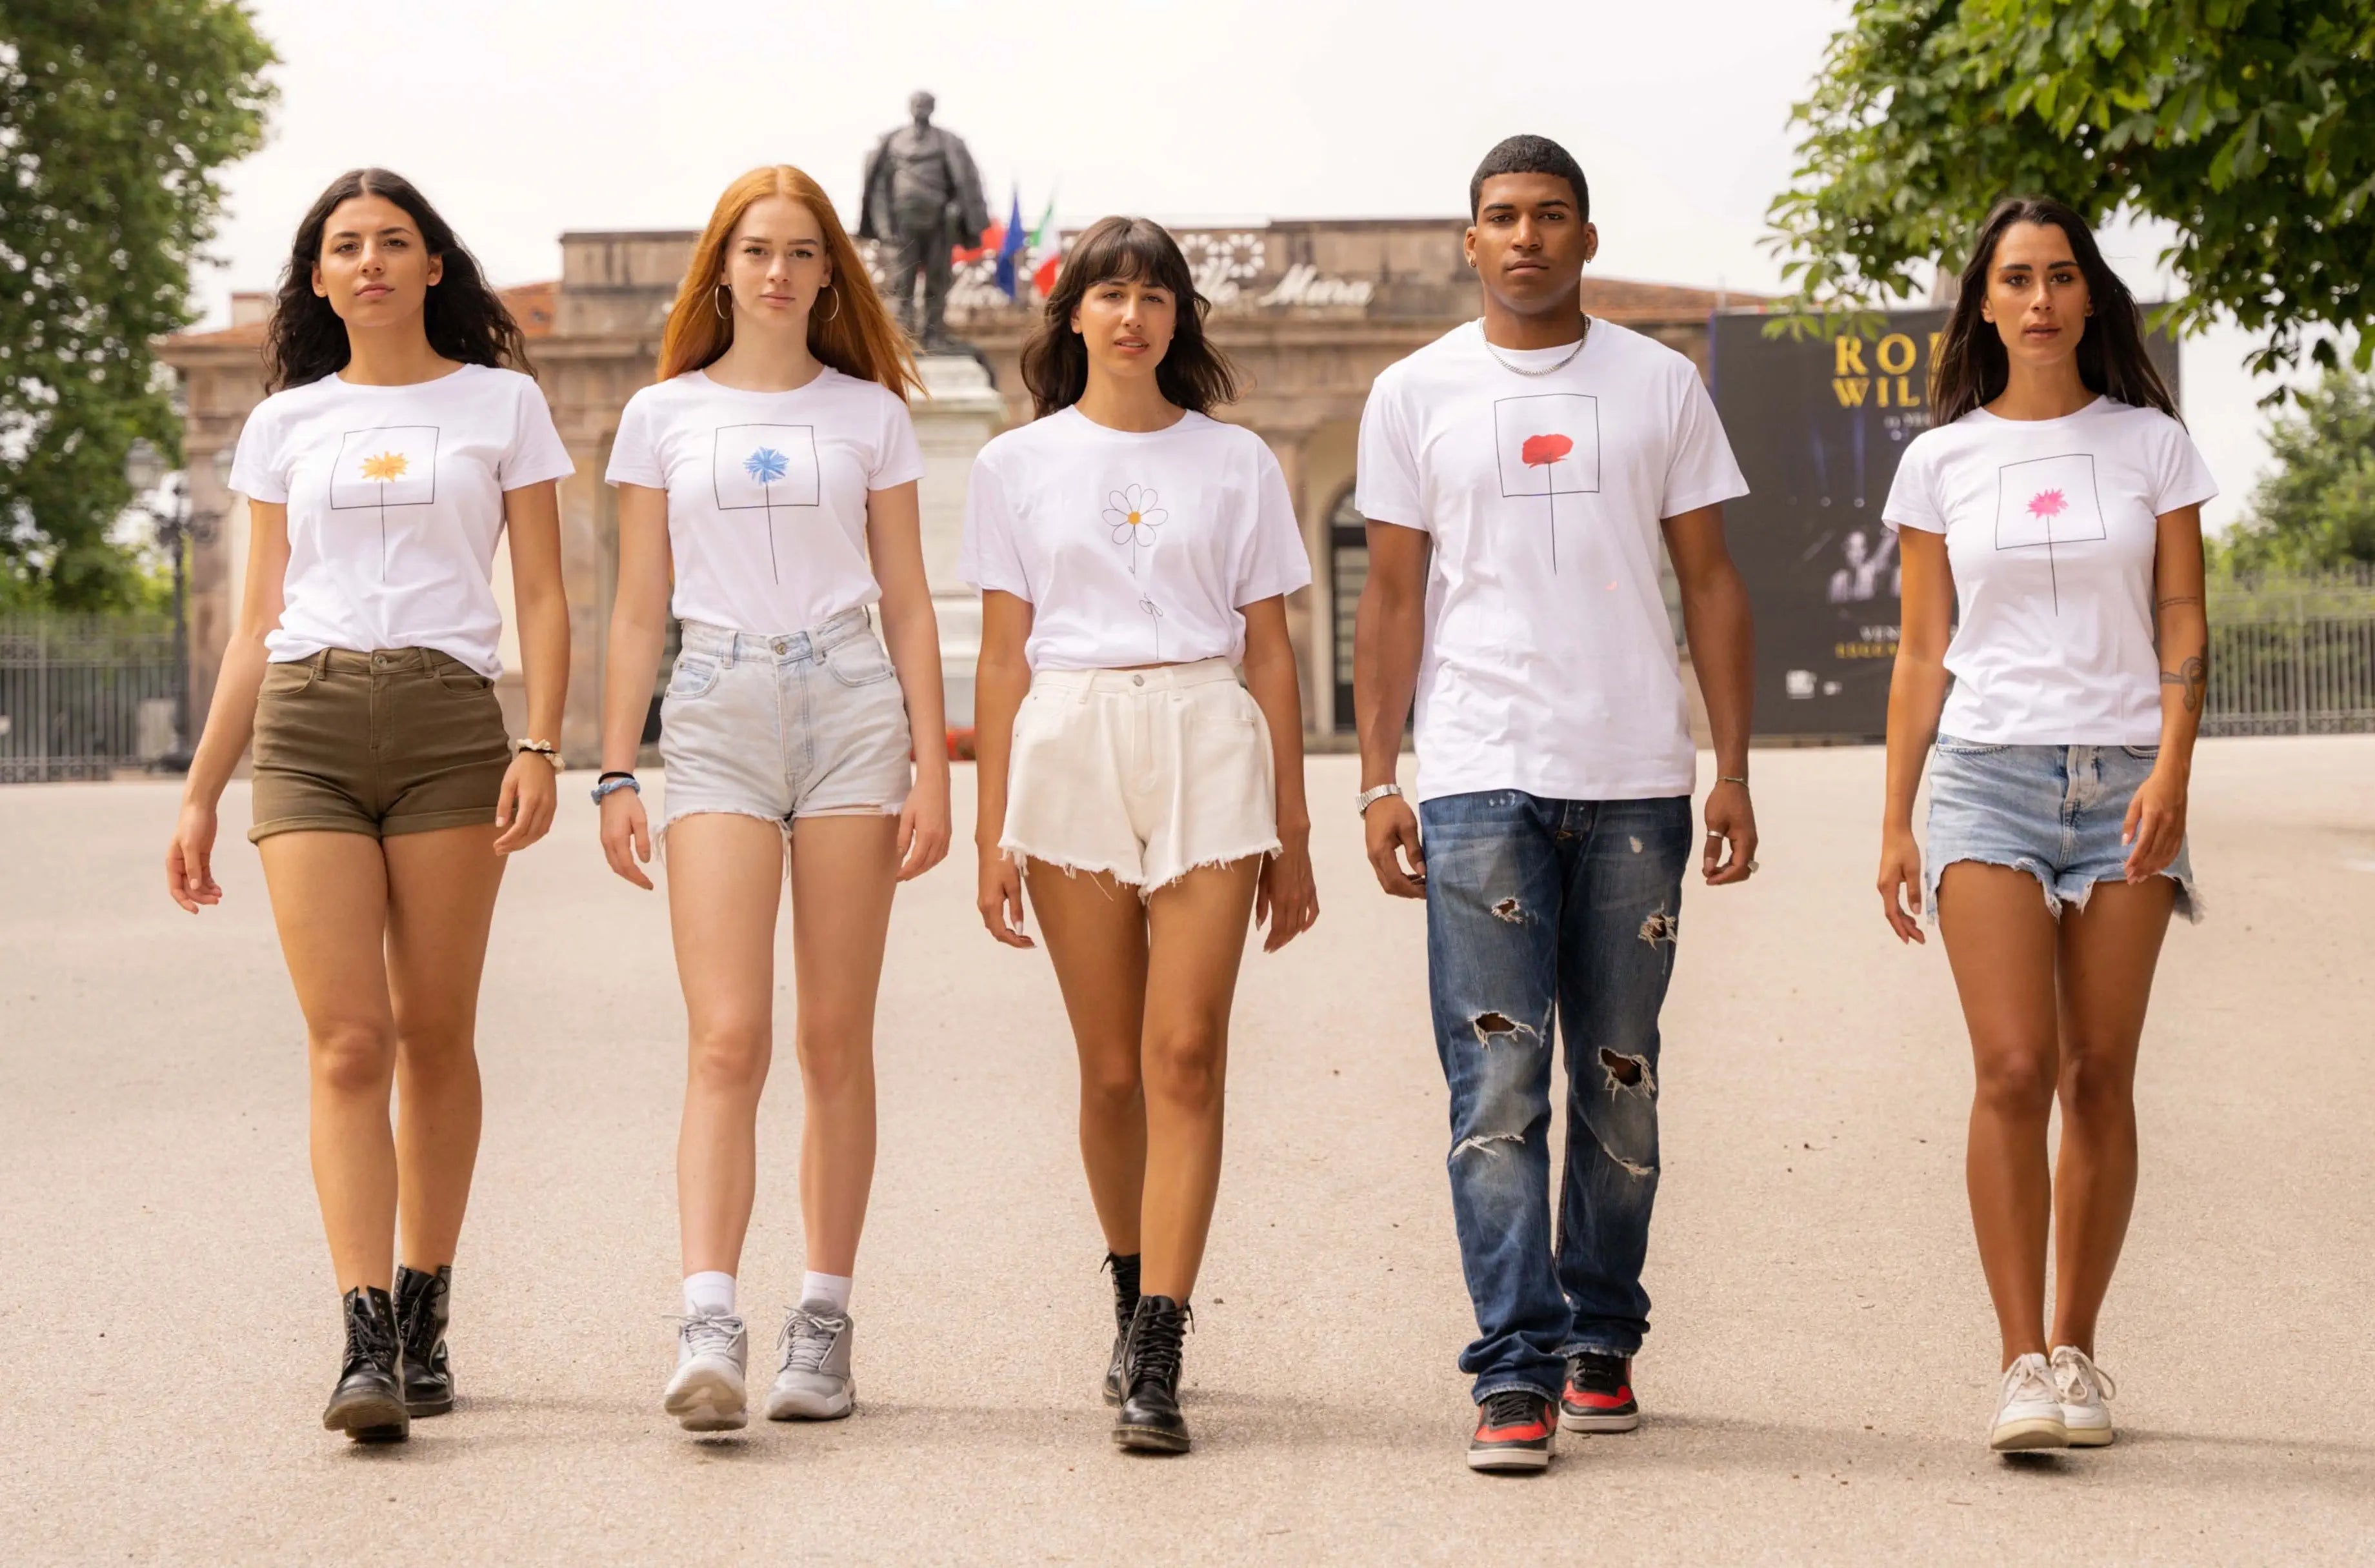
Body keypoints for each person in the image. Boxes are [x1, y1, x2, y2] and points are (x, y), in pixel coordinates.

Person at [1352, 135, 1761, 1474]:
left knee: (1617, 1081)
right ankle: (1510, 1369)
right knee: (1495, 1082)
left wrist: (1733, 769)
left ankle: (1603, 1332)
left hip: (1634, 777)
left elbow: (1708, 581)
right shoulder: (1413, 394)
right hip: (1476, 777)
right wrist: (1375, 777)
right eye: (1499, 218)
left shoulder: (1658, 384)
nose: (1524, 237)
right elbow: (1394, 595)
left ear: (1585, 238)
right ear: (1465, 242)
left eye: (1548, 217)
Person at [165, 168, 572, 1443]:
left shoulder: (503, 403)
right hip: (309, 729)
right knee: (348, 1042)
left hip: (453, 726)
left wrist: (541, 744)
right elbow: (253, 622)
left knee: (435, 1028)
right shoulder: (288, 423)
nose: (373, 262)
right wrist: (198, 792)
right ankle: (364, 1337)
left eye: (395, 241)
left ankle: (426, 1295)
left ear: (434, 267)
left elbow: (547, 597)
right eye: (347, 246)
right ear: (321, 276)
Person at [595, 165, 949, 1433]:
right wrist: (616, 766)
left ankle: (823, 1320)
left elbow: (908, 598)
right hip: (718, 706)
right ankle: (707, 1321)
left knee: (832, 1037)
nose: (780, 272)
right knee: (726, 1035)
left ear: (828, 274)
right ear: (723, 268)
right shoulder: (661, 416)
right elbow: (638, 604)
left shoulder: (872, 416)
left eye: (803, 252)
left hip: (852, 704)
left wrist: (930, 765)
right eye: (756, 250)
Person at [963, 216, 1319, 1454]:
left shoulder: (1237, 463)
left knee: (1185, 1056)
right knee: (1110, 1067)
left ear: (1179, 318)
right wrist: (987, 829)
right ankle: (1126, 1292)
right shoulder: (1016, 466)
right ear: (1072, 318)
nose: (1131, 314)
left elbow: (1270, 647)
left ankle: (1162, 1342)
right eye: (1107, 294)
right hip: (1068, 740)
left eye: (1153, 294)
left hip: (1205, 733)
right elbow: (1003, 656)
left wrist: (1296, 827)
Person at [1876, 196, 2212, 1453]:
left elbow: (2181, 617)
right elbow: (1919, 652)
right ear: (1981, 301)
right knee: (2013, 1068)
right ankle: (2016, 1362)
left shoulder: (2150, 446)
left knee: (2097, 1072)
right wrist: (1894, 819)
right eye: (2013, 278)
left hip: (2127, 772)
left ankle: (2077, 1353)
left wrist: (2171, 769)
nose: (2036, 299)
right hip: (1984, 777)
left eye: (2059, 276)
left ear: (2087, 297)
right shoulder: (1940, 461)